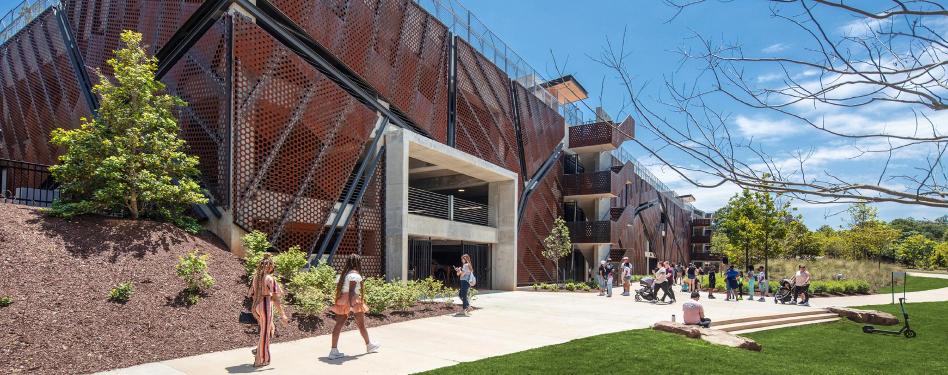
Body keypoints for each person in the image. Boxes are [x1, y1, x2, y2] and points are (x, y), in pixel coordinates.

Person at [328, 254, 380, 360]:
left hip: (343, 299)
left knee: (339, 325)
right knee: (361, 325)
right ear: (357, 263)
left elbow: (345, 290)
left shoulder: (345, 274)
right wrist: (351, 306)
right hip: (353, 301)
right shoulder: (354, 274)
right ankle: (369, 345)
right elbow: (351, 291)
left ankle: (333, 351)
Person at [249, 254, 288, 367]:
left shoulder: (256, 278)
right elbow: (275, 298)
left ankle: (258, 349)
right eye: (272, 266)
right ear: (269, 266)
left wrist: (257, 305)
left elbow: (251, 294)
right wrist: (283, 314)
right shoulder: (269, 278)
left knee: (270, 328)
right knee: (265, 333)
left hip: (256, 306)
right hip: (265, 305)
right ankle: (260, 360)